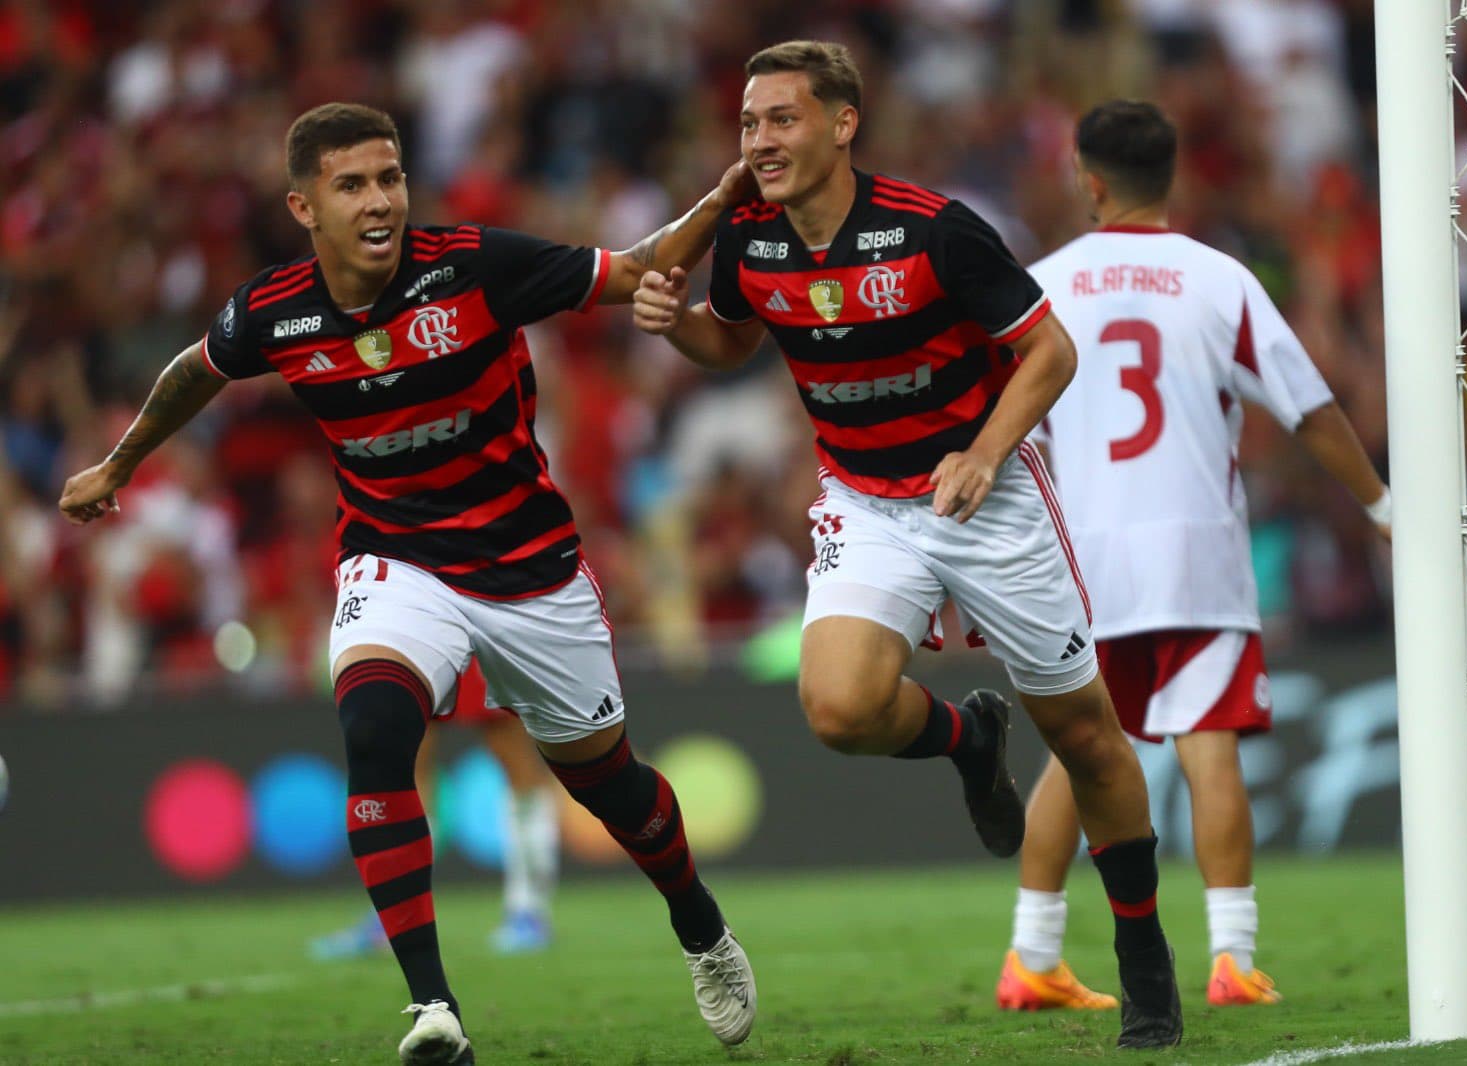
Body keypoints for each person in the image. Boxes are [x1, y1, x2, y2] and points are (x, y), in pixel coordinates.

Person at [59, 102, 757, 1065]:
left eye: (389, 177)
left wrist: (720, 201)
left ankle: (701, 927)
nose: (380, 200)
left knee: (611, 785)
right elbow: (197, 368)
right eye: (353, 185)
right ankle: (434, 1011)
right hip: (397, 560)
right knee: (376, 729)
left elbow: (635, 267)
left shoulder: (473, 264)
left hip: (530, 569)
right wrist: (120, 464)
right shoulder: (277, 311)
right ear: (304, 206)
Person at [632, 42, 1181, 1049]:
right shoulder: (750, 238)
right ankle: (970, 740)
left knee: (1085, 735)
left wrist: (981, 451)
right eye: (750, 123)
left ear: (843, 124)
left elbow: (1049, 351)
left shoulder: (933, 231)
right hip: (864, 500)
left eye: (783, 119)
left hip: (990, 496)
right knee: (837, 706)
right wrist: (676, 327)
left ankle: (1145, 959)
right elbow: (728, 340)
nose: (760, 140)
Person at [996, 99, 1391, 1012]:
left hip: (1083, 566)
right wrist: (1378, 503)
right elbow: (1311, 407)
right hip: (1194, 558)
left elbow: (1006, 429)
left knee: (1078, 755)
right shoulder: (1219, 280)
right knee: (1210, 748)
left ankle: (1031, 954)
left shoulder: (1039, 287)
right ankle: (1231, 958)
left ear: (1088, 179)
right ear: (1168, 176)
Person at [309, 658, 562, 960]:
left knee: (515, 761)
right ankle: (394, 919)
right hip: (421, 623)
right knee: (408, 762)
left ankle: (528, 912)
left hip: (480, 624)